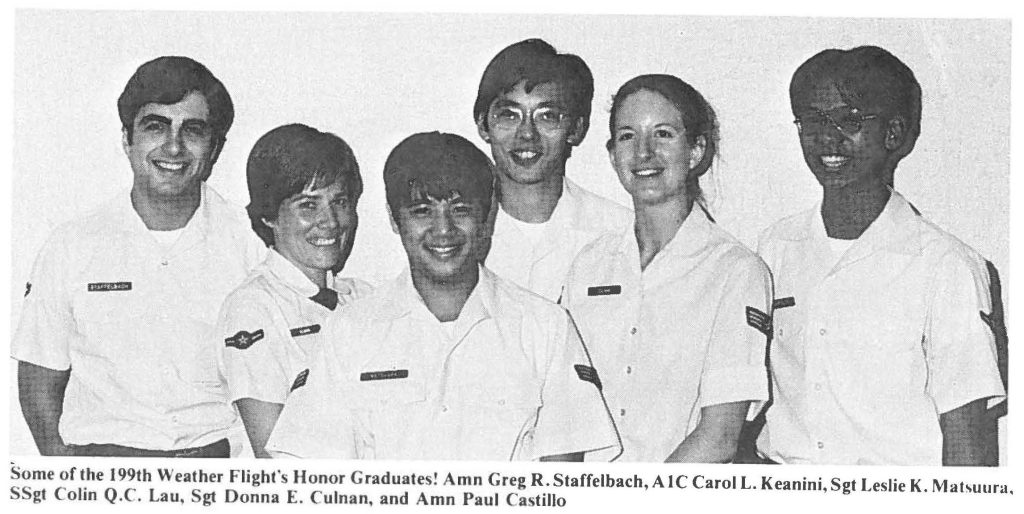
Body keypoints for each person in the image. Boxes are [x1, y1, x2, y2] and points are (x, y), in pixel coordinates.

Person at [265, 132, 621, 461]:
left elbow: (564, 481)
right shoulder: (348, 331)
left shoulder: (545, 327)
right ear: (394, 219)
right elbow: (319, 477)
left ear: (486, 217)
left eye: (460, 210)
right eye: (422, 212)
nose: (443, 230)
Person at [755, 46, 1005, 466]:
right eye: (813, 120)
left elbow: (969, 443)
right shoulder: (774, 247)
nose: (828, 137)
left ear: (894, 133)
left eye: (850, 120)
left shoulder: (946, 265)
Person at [12, 56, 265, 457]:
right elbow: (39, 374)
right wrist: (62, 466)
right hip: (104, 468)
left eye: (193, 130)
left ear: (214, 148)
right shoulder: (71, 246)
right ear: (127, 139)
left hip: (218, 468)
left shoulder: (252, 243)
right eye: (155, 126)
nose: (174, 146)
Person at [562, 75, 771, 462]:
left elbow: (720, 436)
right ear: (612, 155)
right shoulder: (588, 266)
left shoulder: (736, 272)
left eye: (663, 134)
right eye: (627, 136)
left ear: (695, 151)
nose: (643, 152)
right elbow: (565, 411)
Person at [215, 124, 373, 458]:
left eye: (340, 201)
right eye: (308, 205)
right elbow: (273, 455)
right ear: (269, 215)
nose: (330, 221)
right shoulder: (253, 307)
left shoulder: (363, 298)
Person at [475, 38, 631, 302]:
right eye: (509, 115)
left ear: (576, 129)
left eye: (547, 116)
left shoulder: (622, 232)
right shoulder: (456, 236)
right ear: (483, 125)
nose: (526, 134)